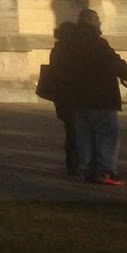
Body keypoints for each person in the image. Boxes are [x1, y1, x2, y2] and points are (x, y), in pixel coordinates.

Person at [62, 7, 127, 186]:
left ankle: (86, 168)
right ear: (92, 23)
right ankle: (105, 170)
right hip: (100, 97)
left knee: (84, 135)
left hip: (78, 97)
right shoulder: (98, 44)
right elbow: (116, 64)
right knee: (107, 134)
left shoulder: (70, 45)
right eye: (97, 20)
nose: (100, 23)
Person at [45, 20, 79, 177]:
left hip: (63, 98)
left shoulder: (56, 50)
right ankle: (76, 164)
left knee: (71, 132)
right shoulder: (72, 51)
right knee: (77, 132)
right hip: (74, 96)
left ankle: (72, 164)